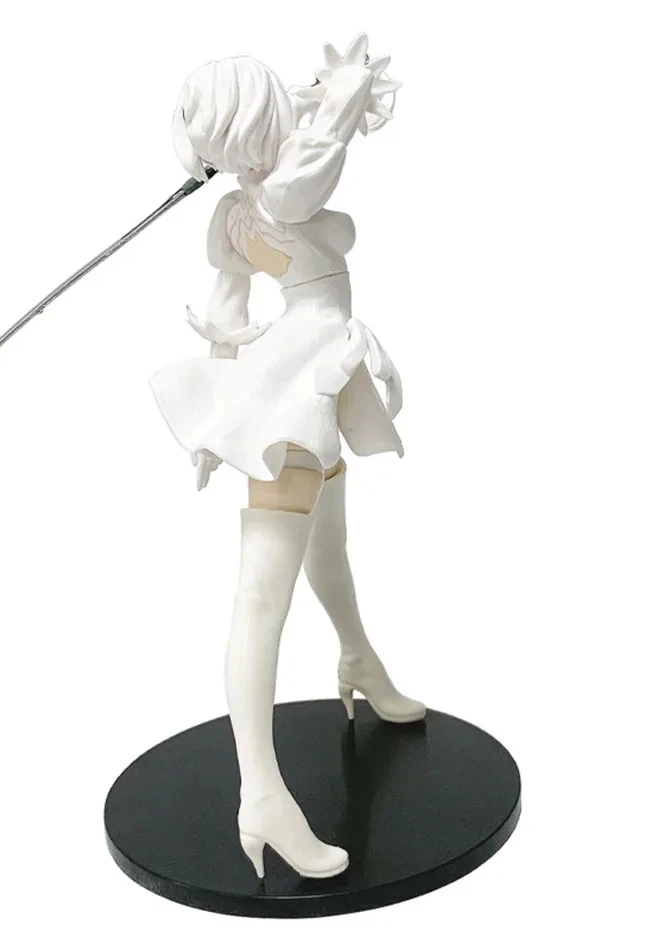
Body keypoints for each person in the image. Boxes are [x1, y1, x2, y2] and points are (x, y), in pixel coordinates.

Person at [149, 34, 425, 881]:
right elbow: (319, 151)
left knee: (328, 544)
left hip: (310, 375)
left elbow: (228, 312)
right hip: (300, 383)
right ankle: (261, 792)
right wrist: (345, 87)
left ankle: (357, 659)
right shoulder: (282, 193)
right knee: (262, 593)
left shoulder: (238, 213)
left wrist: (222, 416)